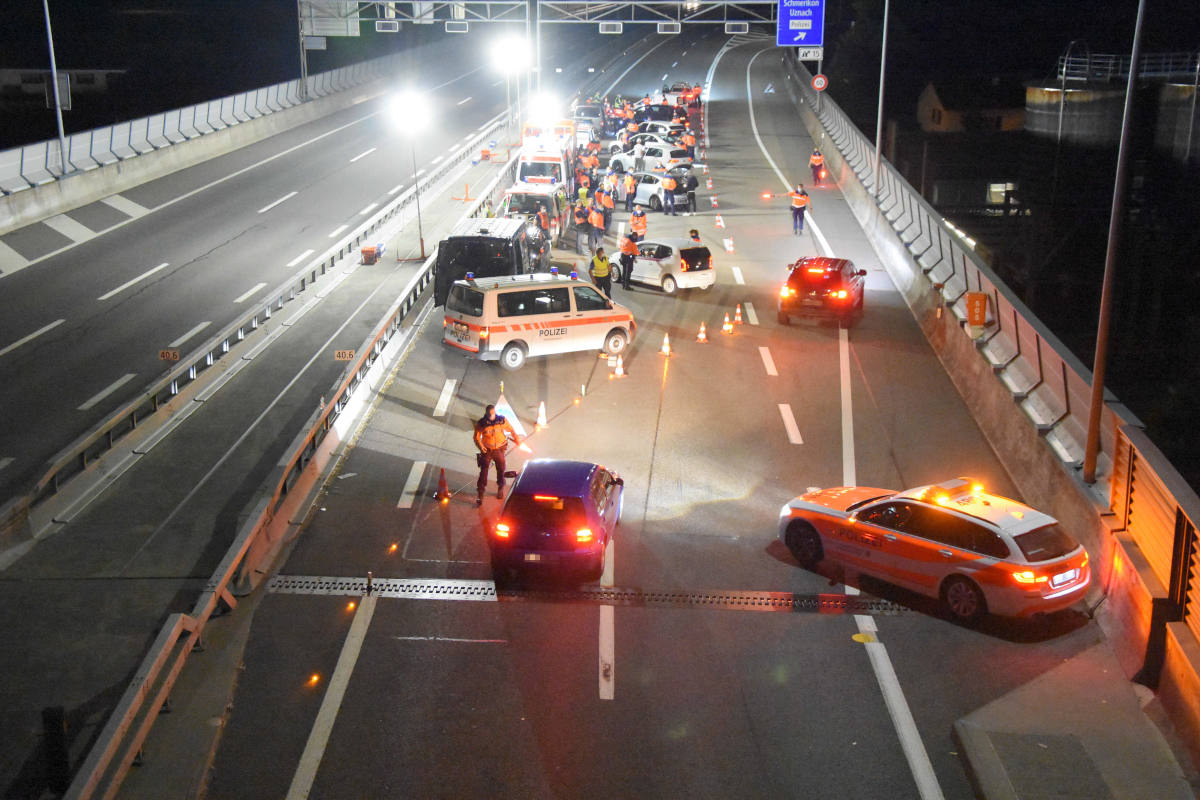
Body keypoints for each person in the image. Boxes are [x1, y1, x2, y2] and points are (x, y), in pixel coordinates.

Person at [474, 404, 520, 505]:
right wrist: (481, 447)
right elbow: (477, 437)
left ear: (494, 412)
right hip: (487, 451)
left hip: (499, 449)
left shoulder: (501, 421)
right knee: (484, 472)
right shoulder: (482, 424)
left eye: (492, 413)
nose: (491, 415)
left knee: (501, 469)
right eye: (489, 414)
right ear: (486, 413)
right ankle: (480, 493)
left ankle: (500, 487)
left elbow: (511, 429)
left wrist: (516, 438)